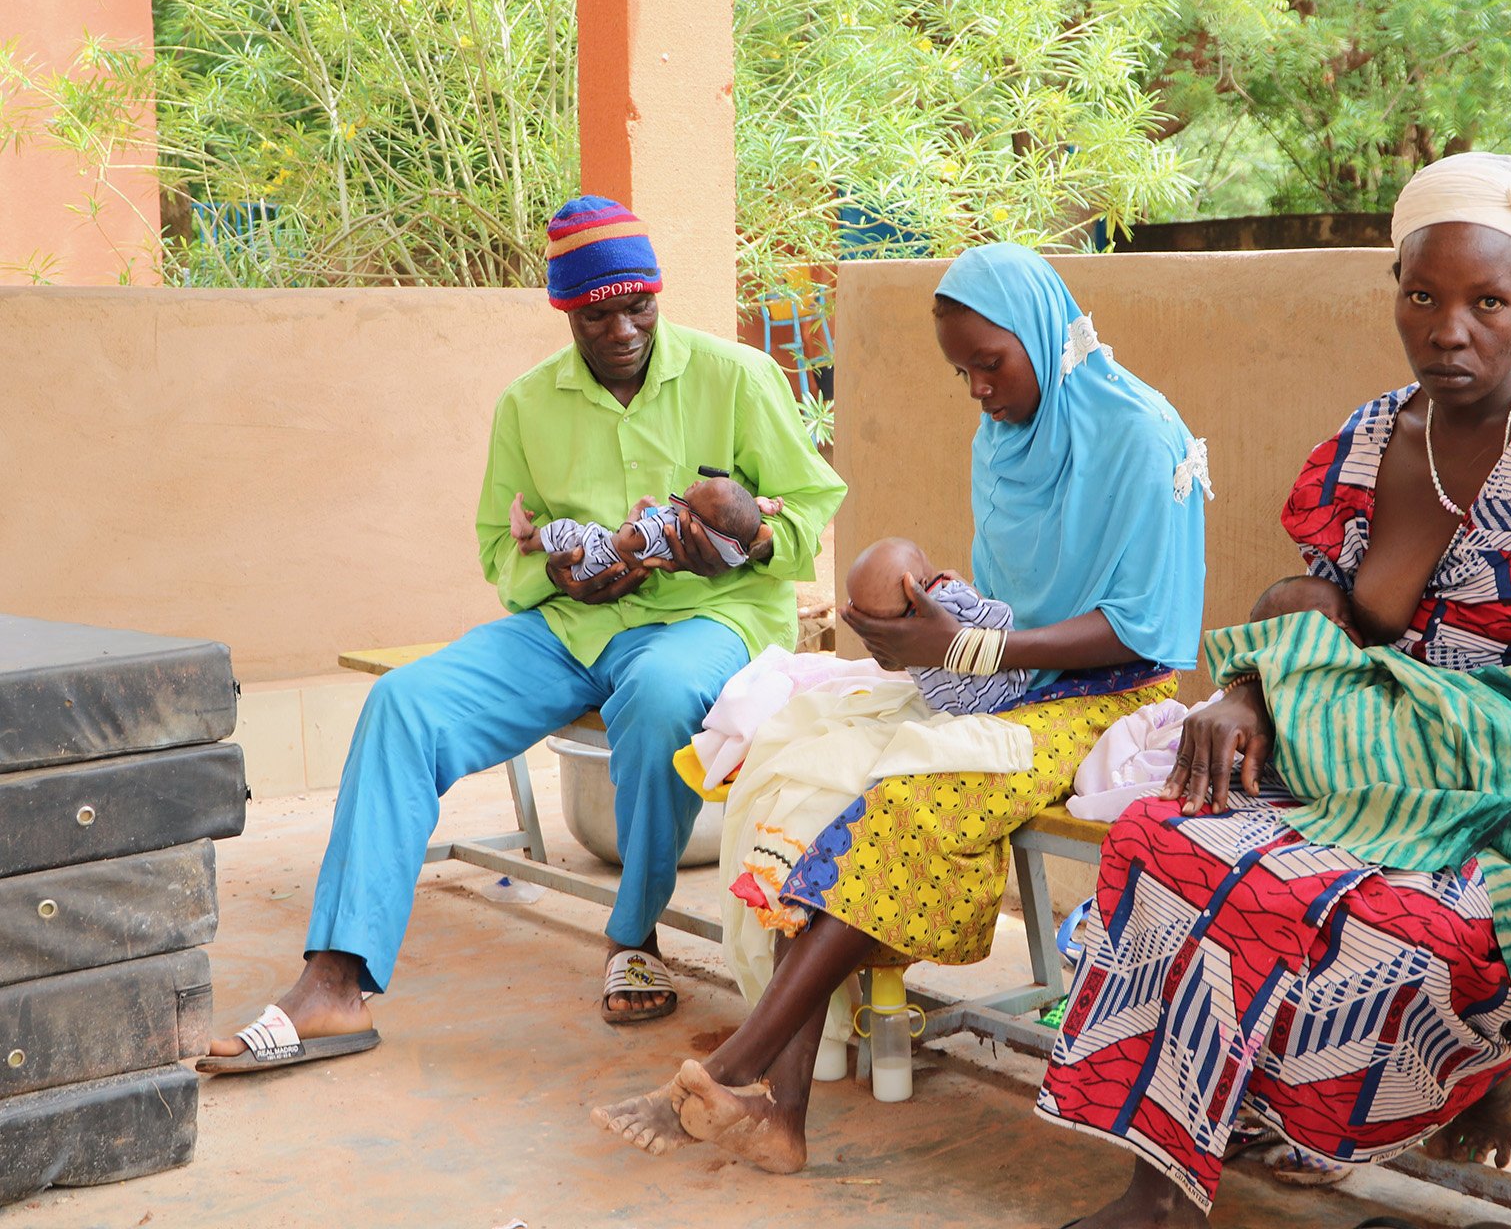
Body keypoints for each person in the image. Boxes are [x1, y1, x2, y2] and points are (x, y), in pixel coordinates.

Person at [1036, 152, 1511, 1227]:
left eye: (1487, 301)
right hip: (1380, 752)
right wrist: (1247, 687)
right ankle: (1162, 1183)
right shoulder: (1368, 442)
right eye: (1423, 295)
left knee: (1373, 915)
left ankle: (1465, 1071)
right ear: (1396, 289)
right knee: (1166, 845)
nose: (1449, 327)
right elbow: (1319, 596)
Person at [591, 242, 1210, 1171]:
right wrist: (936, 624)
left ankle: (737, 1068)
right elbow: (1011, 603)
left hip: (1106, 693)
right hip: (1007, 673)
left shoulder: (1141, 436)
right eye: (961, 372)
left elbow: (1144, 629)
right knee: (809, 785)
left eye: (989, 365)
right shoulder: (1005, 437)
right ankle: (781, 1114)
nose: (977, 391)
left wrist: (966, 649)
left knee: (905, 804)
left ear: (1042, 336)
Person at [197, 196, 846, 1073]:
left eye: (638, 307)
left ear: (658, 296)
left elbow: (811, 510)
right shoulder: (527, 405)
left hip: (705, 619)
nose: (621, 329)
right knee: (404, 703)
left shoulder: (735, 377)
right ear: (564, 311)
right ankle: (335, 983)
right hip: (569, 625)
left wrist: (747, 544)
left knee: (656, 696)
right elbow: (500, 546)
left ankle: (633, 935)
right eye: (596, 313)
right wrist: (558, 570)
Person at [843, 536, 1032, 714]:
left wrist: (973, 606)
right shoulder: (944, 604)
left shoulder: (948, 605)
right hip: (975, 709)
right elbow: (1001, 616)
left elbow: (1001, 618)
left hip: (980, 706)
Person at [513, 477, 783, 581]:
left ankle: (529, 539)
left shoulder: (662, 528)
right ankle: (532, 538)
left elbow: (624, 543)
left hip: (601, 558)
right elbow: (734, 520)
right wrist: (758, 505)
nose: (698, 482)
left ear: (694, 518)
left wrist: (634, 512)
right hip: (613, 565)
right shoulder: (724, 533)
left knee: (569, 531)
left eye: (702, 488)